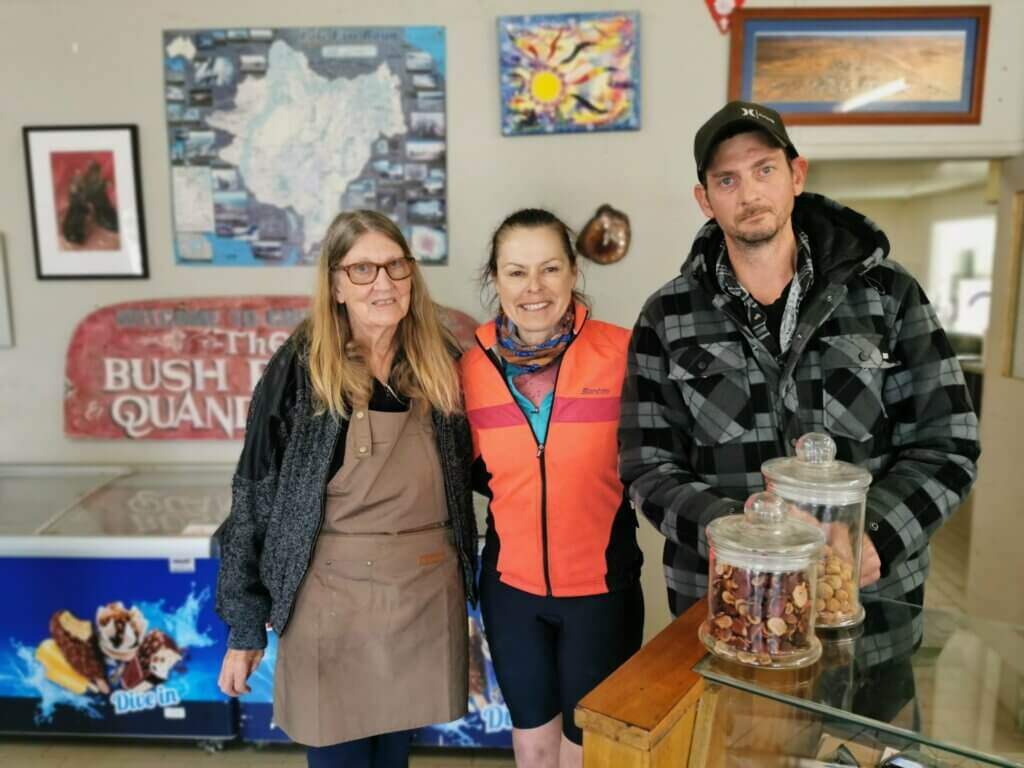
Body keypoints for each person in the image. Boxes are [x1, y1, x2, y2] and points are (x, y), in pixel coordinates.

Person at [619, 101, 980, 617]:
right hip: (727, 607)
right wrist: (741, 533)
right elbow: (646, 465)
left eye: (764, 169)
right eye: (727, 180)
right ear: (705, 200)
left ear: (796, 174)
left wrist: (872, 531)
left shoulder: (888, 294)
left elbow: (950, 443)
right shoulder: (666, 316)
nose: (749, 194)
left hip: (868, 608)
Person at [215, 210, 477, 768]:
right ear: (334, 284)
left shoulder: (443, 361)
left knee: (393, 758)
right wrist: (244, 626)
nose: (382, 283)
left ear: (411, 275)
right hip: (331, 602)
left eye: (394, 266)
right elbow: (254, 496)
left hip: (422, 592)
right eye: (362, 270)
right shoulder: (299, 369)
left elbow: (490, 467)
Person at [461, 208, 644, 768]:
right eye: (516, 272)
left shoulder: (624, 353)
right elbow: (464, 473)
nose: (533, 288)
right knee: (533, 744)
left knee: (586, 749)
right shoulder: (468, 369)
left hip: (600, 591)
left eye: (549, 269)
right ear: (495, 279)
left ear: (573, 275)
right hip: (510, 591)